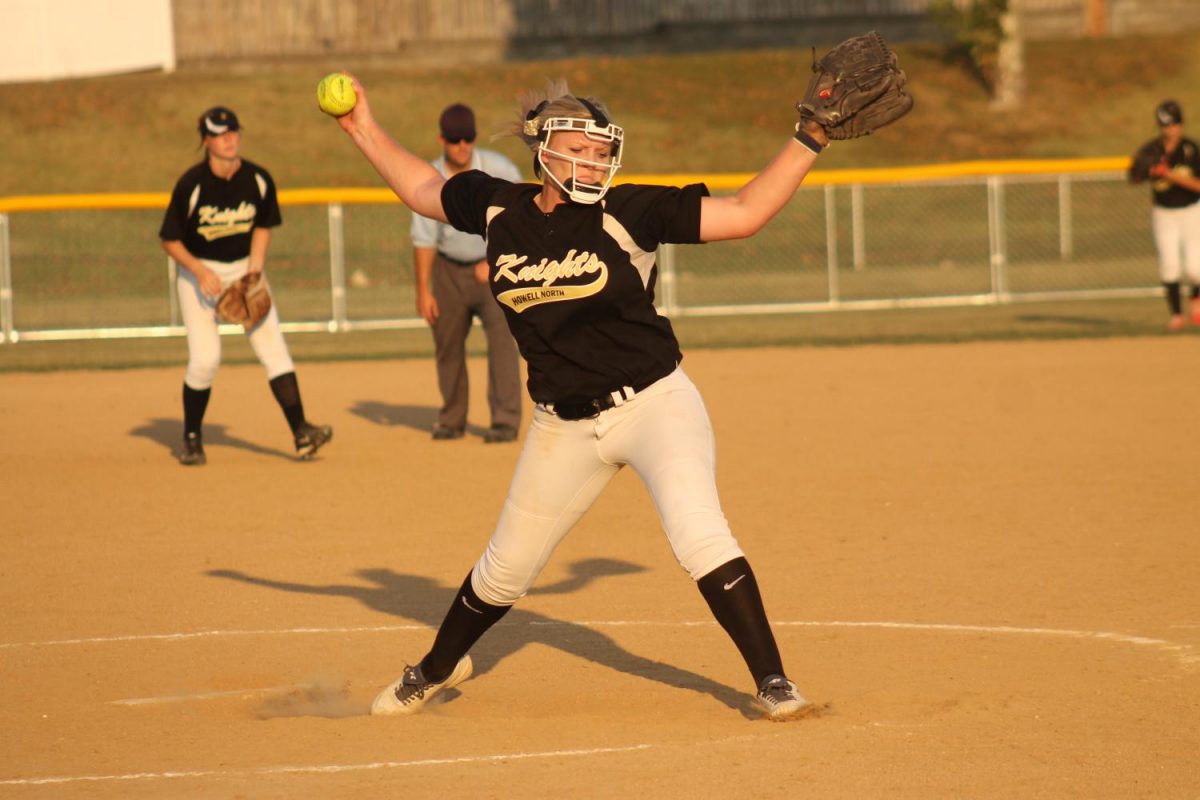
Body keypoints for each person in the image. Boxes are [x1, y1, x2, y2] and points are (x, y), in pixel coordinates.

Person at [331, 75, 835, 721]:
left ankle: (774, 682)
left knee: (698, 535)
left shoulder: (628, 211)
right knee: (505, 572)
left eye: (602, 152)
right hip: (562, 425)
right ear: (544, 150)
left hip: (654, 404)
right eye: (580, 148)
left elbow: (745, 213)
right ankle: (434, 668)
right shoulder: (496, 207)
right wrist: (359, 126)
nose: (594, 161)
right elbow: (419, 188)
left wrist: (810, 136)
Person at [160, 106, 332, 465]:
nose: (229, 138)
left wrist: (255, 269)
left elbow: (263, 227)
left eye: (233, 131)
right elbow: (170, 239)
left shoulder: (258, 179)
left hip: (245, 270)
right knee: (206, 359)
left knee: (275, 350)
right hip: (200, 276)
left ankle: (301, 432)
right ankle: (192, 438)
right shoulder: (192, 184)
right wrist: (199, 271)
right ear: (206, 140)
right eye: (221, 133)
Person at [411, 104, 524, 443]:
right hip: (449, 270)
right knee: (447, 346)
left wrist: (495, 260)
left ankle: (505, 421)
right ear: (442, 139)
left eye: (468, 137)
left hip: (495, 267)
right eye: (455, 139)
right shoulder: (430, 176)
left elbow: (519, 219)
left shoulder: (498, 168)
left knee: (504, 345)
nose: (462, 145)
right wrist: (423, 291)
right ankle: (452, 418)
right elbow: (423, 239)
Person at [1129, 99, 1200, 332]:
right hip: (1163, 213)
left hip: (1191, 211)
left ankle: (1196, 301)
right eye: (1165, 125)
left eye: (1173, 124)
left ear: (1180, 124)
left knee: (1195, 268)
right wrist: (1145, 170)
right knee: (1169, 266)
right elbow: (1133, 178)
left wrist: (1167, 174)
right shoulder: (1151, 150)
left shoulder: (1190, 149)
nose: (1169, 129)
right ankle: (1177, 315)